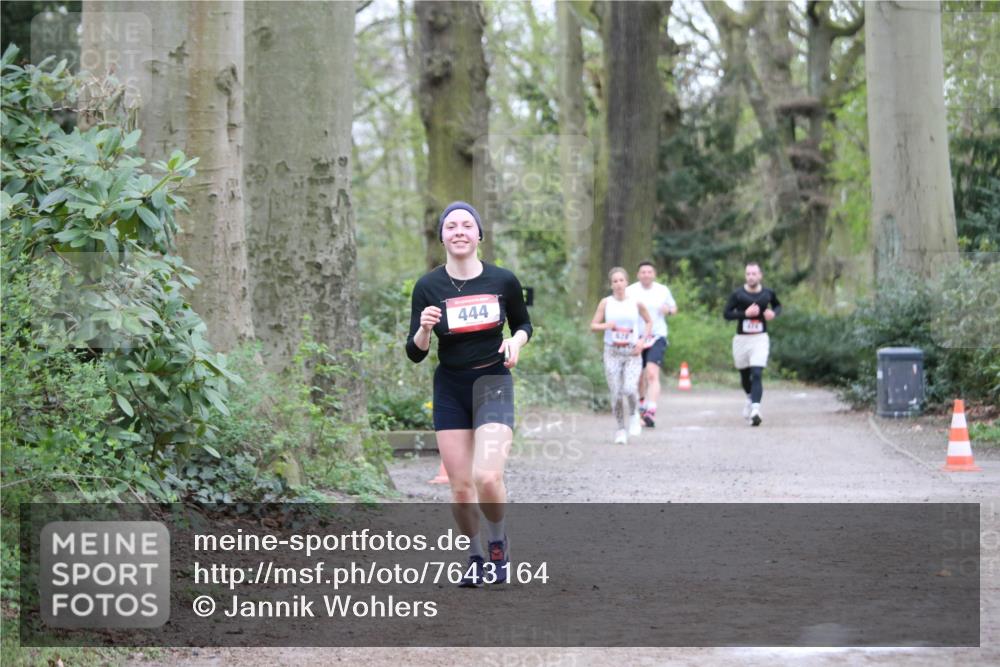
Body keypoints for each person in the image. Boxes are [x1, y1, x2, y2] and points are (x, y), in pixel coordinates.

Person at [405, 201, 532, 588]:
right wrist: (424, 329)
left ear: (478, 235)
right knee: (461, 490)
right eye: (451, 226)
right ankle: (475, 555)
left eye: (466, 225)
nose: (459, 231)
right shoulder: (428, 287)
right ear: (442, 237)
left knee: (487, 477)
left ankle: (498, 545)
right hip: (450, 388)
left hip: (493, 383)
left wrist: (516, 342)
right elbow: (415, 353)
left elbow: (524, 324)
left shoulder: (503, 280)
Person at [590, 267, 653, 444]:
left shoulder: (636, 303)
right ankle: (620, 429)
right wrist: (606, 326)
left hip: (632, 352)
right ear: (611, 285)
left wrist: (642, 341)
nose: (618, 284)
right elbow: (593, 325)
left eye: (621, 280)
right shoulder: (606, 303)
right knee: (616, 393)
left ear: (626, 282)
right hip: (612, 352)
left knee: (630, 388)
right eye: (615, 281)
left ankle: (633, 414)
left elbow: (649, 322)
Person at [723, 262, 781, 426]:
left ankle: (755, 410)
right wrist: (745, 314)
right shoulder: (738, 294)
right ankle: (750, 398)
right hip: (741, 339)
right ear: (745, 276)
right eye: (748, 274)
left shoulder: (768, 293)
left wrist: (773, 313)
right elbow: (726, 314)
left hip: (760, 338)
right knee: (744, 376)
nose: (751, 277)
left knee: (756, 373)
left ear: (760, 275)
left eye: (754, 274)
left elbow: (778, 306)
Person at [626, 261, 678, 428]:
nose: (646, 275)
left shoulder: (662, 290)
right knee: (638, 377)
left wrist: (668, 310)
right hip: (636, 338)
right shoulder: (630, 291)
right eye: (643, 272)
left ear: (654, 274)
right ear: (638, 275)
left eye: (649, 272)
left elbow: (674, 308)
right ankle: (642, 406)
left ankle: (651, 410)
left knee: (651, 373)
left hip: (657, 336)